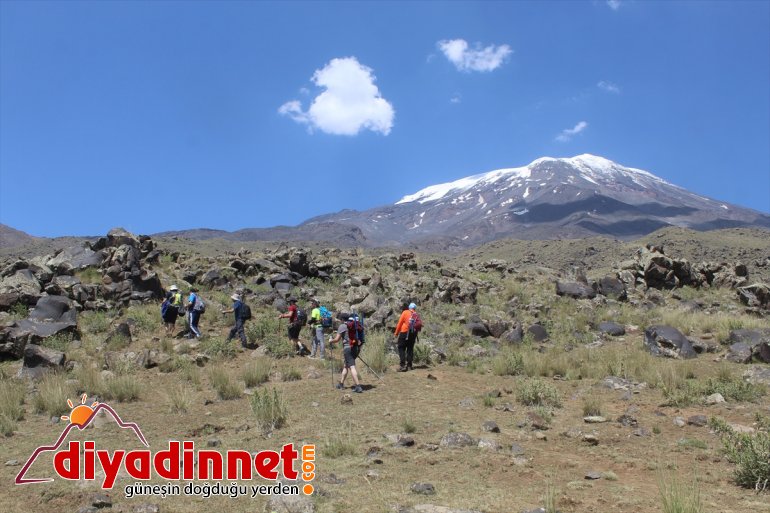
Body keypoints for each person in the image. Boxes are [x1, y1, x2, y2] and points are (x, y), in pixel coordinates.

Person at [329, 312, 363, 393]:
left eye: (340, 319)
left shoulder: (342, 326)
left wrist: (331, 340)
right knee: (346, 366)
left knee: (351, 367)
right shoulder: (353, 325)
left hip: (348, 348)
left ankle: (358, 386)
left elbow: (337, 339)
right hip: (355, 348)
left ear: (342, 319)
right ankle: (341, 383)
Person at [394, 302, 419, 371]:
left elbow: (400, 323)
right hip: (413, 334)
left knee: (401, 347)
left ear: (409, 307)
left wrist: (396, 333)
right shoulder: (416, 314)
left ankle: (402, 365)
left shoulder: (405, 312)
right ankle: (409, 365)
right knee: (410, 349)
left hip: (404, 332)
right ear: (414, 308)